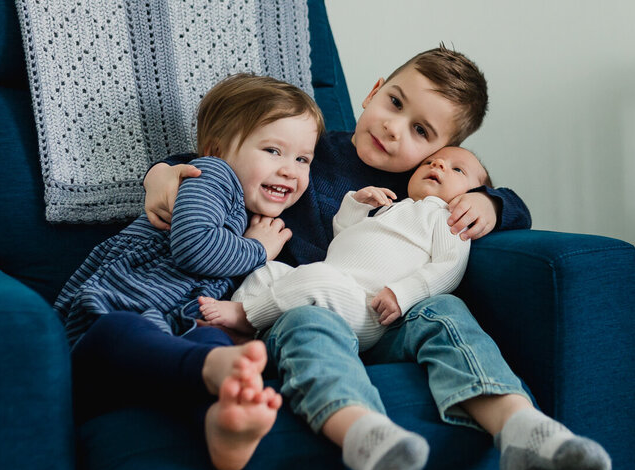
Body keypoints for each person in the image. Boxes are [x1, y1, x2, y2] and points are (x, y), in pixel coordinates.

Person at [144, 46, 610, 470]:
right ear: (373, 91)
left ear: (441, 150)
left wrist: (493, 202)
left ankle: (519, 426)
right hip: (294, 305)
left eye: (421, 131)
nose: (393, 128)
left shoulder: (420, 187)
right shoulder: (308, 146)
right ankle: (367, 437)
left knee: (445, 309)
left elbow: (509, 203)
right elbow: (221, 153)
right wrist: (161, 174)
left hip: (381, 316)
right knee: (308, 325)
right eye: (395, 102)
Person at [55, 73, 323, 470]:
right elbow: (194, 246)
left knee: (216, 351)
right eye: (273, 150)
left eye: (302, 159)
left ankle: (223, 424)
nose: (290, 170)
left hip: (174, 329)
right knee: (125, 334)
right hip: (117, 313)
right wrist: (258, 249)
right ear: (216, 150)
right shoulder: (212, 177)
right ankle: (209, 366)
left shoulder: (253, 213)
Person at [198, 145, 490, 349]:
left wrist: (404, 294)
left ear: (474, 194)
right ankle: (236, 339)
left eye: (457, 169)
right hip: (332, 282)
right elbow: (344, 240)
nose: (437, 165)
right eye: (430, 162)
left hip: (367, 308)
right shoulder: (393, 207)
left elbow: (450, 267)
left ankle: (245, 316)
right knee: (269, 271)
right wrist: (356, 205)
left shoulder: (446, 218)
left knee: (316, 278)